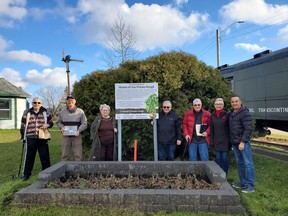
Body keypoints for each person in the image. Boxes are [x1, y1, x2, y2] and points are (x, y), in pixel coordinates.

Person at [20, 97, 53, 181]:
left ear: (41, 104)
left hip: (42, 137)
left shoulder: (46, 111)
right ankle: (26, 174)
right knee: (29, 157)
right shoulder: (27, 112)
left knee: (44, 156)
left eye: (38, 103)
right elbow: (23, 125)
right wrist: (22, 137)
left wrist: (47, 125)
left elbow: (51, 122)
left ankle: (46, 173)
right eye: (35, 103)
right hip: (30, 136)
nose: (37, 104)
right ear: (32, 103)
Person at [229, 95, 255, 193]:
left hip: (242, 143)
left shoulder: (245, 113)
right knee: (240, 163)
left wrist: (243, 142)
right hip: (235, 143)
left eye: (236, 101)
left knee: (248, 163)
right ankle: (243, 182)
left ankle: (250, 186)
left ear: (240, 102)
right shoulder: (232, 113)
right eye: (232, 102)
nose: (234, 103)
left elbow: (248, 129)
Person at [57, 95, 87, 161]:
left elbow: (84, 123)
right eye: (69, 100)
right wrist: (61, 127)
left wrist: (79, 130)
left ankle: (78, 169)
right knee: (64, 155)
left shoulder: (80, 111)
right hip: (66, 136)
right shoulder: (62, 112)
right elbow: (58, 122)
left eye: (72, 100)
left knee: (78, 155)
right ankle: (64, 170)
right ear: (67, 102)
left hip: (77, 135)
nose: (70, 101)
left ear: (75, 101)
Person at [210, 98, 230, 174]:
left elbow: (230, 128)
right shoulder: (212, 115)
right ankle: (218, 174)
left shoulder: (227, 114)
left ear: (223, 105)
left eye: (220, 104)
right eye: (217, 104)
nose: (218, 105)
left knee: (224, 159)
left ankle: (224, 174)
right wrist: (211, 141)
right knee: (218, 159)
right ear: (214, 105)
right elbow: (211, 129)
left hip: (225, 141)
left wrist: (229, 141)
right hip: (216, 141)